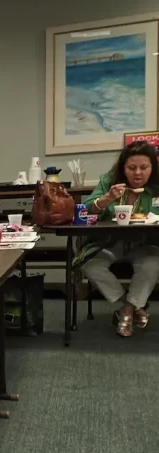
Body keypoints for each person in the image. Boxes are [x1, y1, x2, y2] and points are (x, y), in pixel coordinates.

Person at [82, 141, 159, 337]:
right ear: (123, 168)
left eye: (144, 167)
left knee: (152, 264)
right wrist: (107, 198)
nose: (138, 173)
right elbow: (87, 209)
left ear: (153, 167)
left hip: (145, 244)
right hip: (110, 242)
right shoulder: (109, 181)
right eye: (132, 168)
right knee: (88, 263)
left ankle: (126, 311)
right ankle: (131, 305)